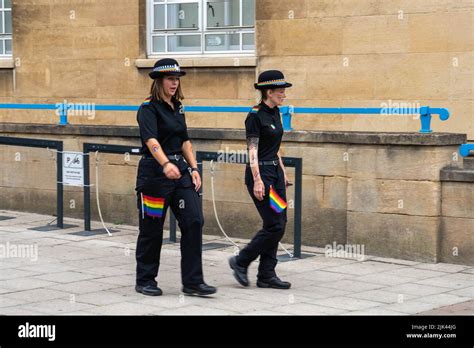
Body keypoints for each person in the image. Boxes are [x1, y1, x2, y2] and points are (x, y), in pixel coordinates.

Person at [135, 58, 216, 296]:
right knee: (152, 228)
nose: (174, 83)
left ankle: (193, 282)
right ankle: (145, 279)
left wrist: (194, 168)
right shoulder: (148, 108)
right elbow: (151, 141)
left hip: (180, 173)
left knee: (194, 220)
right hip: (154, 174)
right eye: (170, 79)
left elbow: (185, 141)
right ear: (159, 81)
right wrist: (166, 164)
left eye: (177, 79)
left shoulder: (178, 107)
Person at [229, 70, 293, 290]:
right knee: (275, 224)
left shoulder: (276, 112)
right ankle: (241, 260)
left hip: (274, 174)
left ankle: (266, 274)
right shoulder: (255, 115)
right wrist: (257, 180)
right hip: (261, 175)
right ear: (268, 91)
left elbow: (274, 148)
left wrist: (283, 172)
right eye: (280, 90)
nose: (284, 94)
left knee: (278, 223)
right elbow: (252, 150)